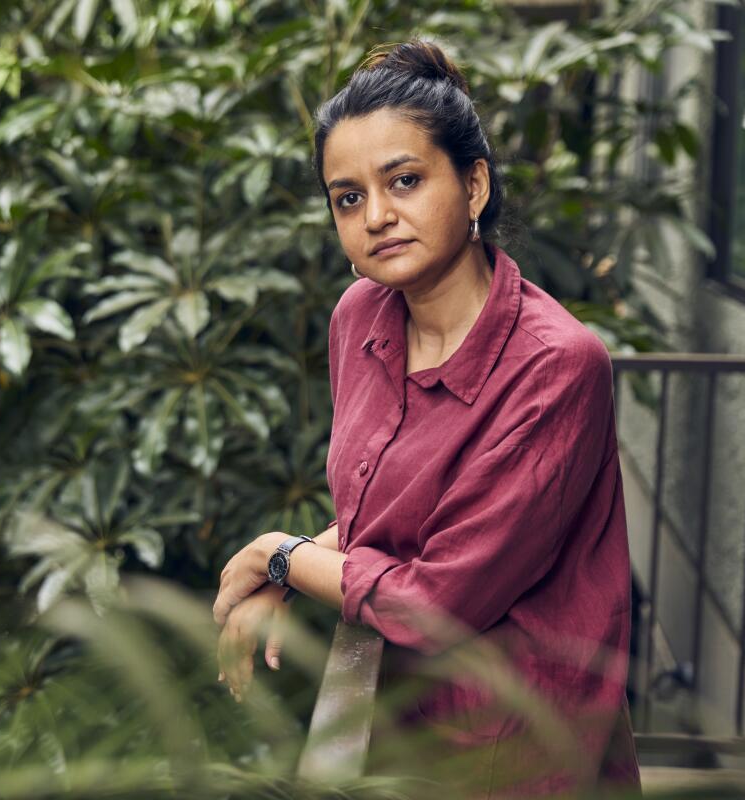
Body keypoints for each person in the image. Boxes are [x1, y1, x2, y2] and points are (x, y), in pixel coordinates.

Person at [211, 39, 643, 798]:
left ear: (473, 187)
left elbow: (439, 605)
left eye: (405, 181)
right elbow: (382, 515)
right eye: (348, 197)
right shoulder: (361, 316)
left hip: (515, 751)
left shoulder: (558, 366)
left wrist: (277, 554)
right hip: (385, 714)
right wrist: (293, 564)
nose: (377, 216)